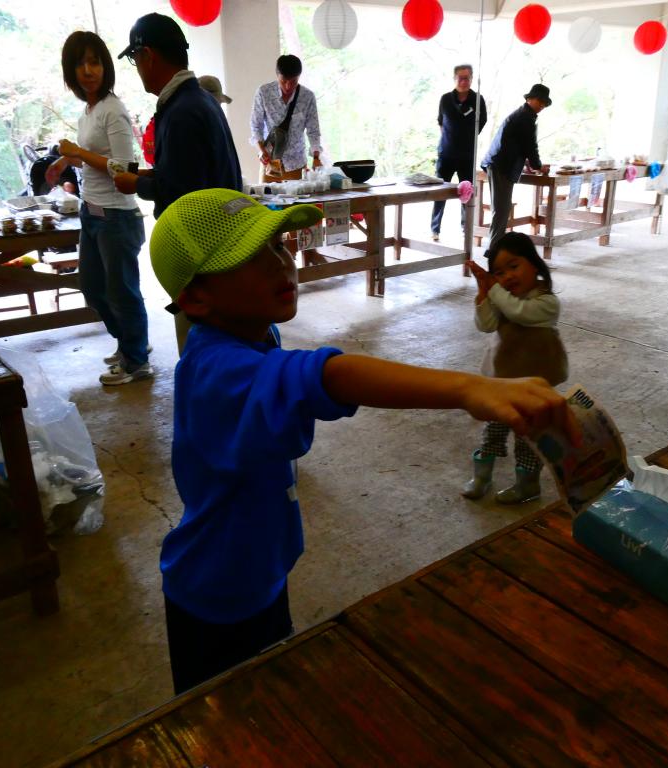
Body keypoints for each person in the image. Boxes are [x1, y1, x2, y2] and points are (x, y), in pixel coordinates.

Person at [148, 188, 580, 693]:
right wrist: (470, 387)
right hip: (216, 593)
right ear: (197, 298)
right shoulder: (216, 369)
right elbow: (327, 376)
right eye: (250, 257)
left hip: (258, 570)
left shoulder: (251, 333)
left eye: (278, 246)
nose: (280, 263)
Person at [47, 31, 152, 386]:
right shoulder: (89, 110)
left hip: (117, 216)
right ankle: (130, 342)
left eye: (94, 62)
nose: (88, 70)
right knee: (92, 288)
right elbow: (94, 156)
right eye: (79, 63)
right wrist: (65, 162)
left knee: (123, 292)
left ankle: (137, 361)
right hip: (91, 213)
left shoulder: (113, 109)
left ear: (106, 66)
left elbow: (125, 168)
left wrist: (76, 153)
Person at [462, 232, 568, 504]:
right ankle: (482, 477)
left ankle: (527, 484)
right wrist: (484, 293)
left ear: (534, 264)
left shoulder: (546, 302)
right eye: (498, 272)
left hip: (535, 387)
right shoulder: (503, 298)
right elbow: (485, 324)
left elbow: (519, 312)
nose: (507, 276)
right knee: (493, 430)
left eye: (513, 266)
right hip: (503, 383)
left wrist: (494, 289)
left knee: (529, 439)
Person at [111, 13, 241, 220]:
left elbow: (183, 193)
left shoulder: (181, 112)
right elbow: (190, 172)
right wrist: (151, 174)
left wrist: (136, 184)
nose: (137, 68)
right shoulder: (200, 100)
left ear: (148, 56)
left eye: (134, 58)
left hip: (203, 239)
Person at [481, 84, 551, 245]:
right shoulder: (525, 117)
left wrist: (532, 164)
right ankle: (493, 250)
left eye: (544, 103)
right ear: (529, 99)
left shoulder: (525, 115)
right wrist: (538, 166)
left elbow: (520, 146)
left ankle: (494, 248)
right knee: (501, 210)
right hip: (501, 165)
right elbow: (530, 146)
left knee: (501, 209)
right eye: (539, 101)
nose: (542, 105)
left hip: (499, 163)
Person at [431, 64, 487, 242]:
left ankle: (466, 227)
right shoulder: (446, 99)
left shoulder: (478, 99)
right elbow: (441, 122)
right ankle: (435, 229)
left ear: (471, 79)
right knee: (440, 192)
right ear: (454, 79)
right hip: (446, 154)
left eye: (467, 78)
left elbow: (482, 122)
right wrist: (449, 139)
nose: (463, 81)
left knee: (467, 192)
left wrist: (467, 138)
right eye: (460, 78)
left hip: (467, 155)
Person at [249, 54, 322, 183]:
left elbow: (313, 130)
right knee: (267, 202)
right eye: (284, 81)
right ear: (277, 76)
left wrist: (316, 157)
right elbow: (256, 125)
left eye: (293, 82)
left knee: (298, 202)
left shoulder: (307, 97)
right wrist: (261, 150)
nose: (288, 86)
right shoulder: (264, 93)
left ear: (299, 77)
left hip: (296, 164)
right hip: (270, 163)